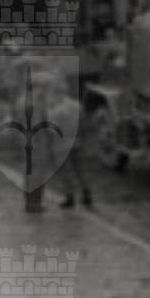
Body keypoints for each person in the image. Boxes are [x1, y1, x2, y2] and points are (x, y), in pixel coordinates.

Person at [57, 71, 93, 210]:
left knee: (66, 172)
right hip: (77, 142)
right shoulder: (78, 106)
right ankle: (87, 193)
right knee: (80, 170)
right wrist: (83, 138)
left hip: (63, 144)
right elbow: (84, 124)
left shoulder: (57, 109)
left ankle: (70, 197)